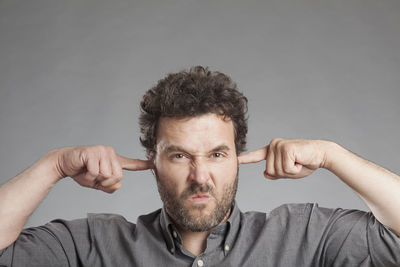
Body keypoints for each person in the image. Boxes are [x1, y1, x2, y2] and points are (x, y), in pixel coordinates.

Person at [0, 66, 399, 267]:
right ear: (151, 162)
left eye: (216, 154)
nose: (200, 176)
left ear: (238, 158)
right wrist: (54, 165)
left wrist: (332, 155)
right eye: (179, 155)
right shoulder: (93, 246)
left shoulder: (304, 237)